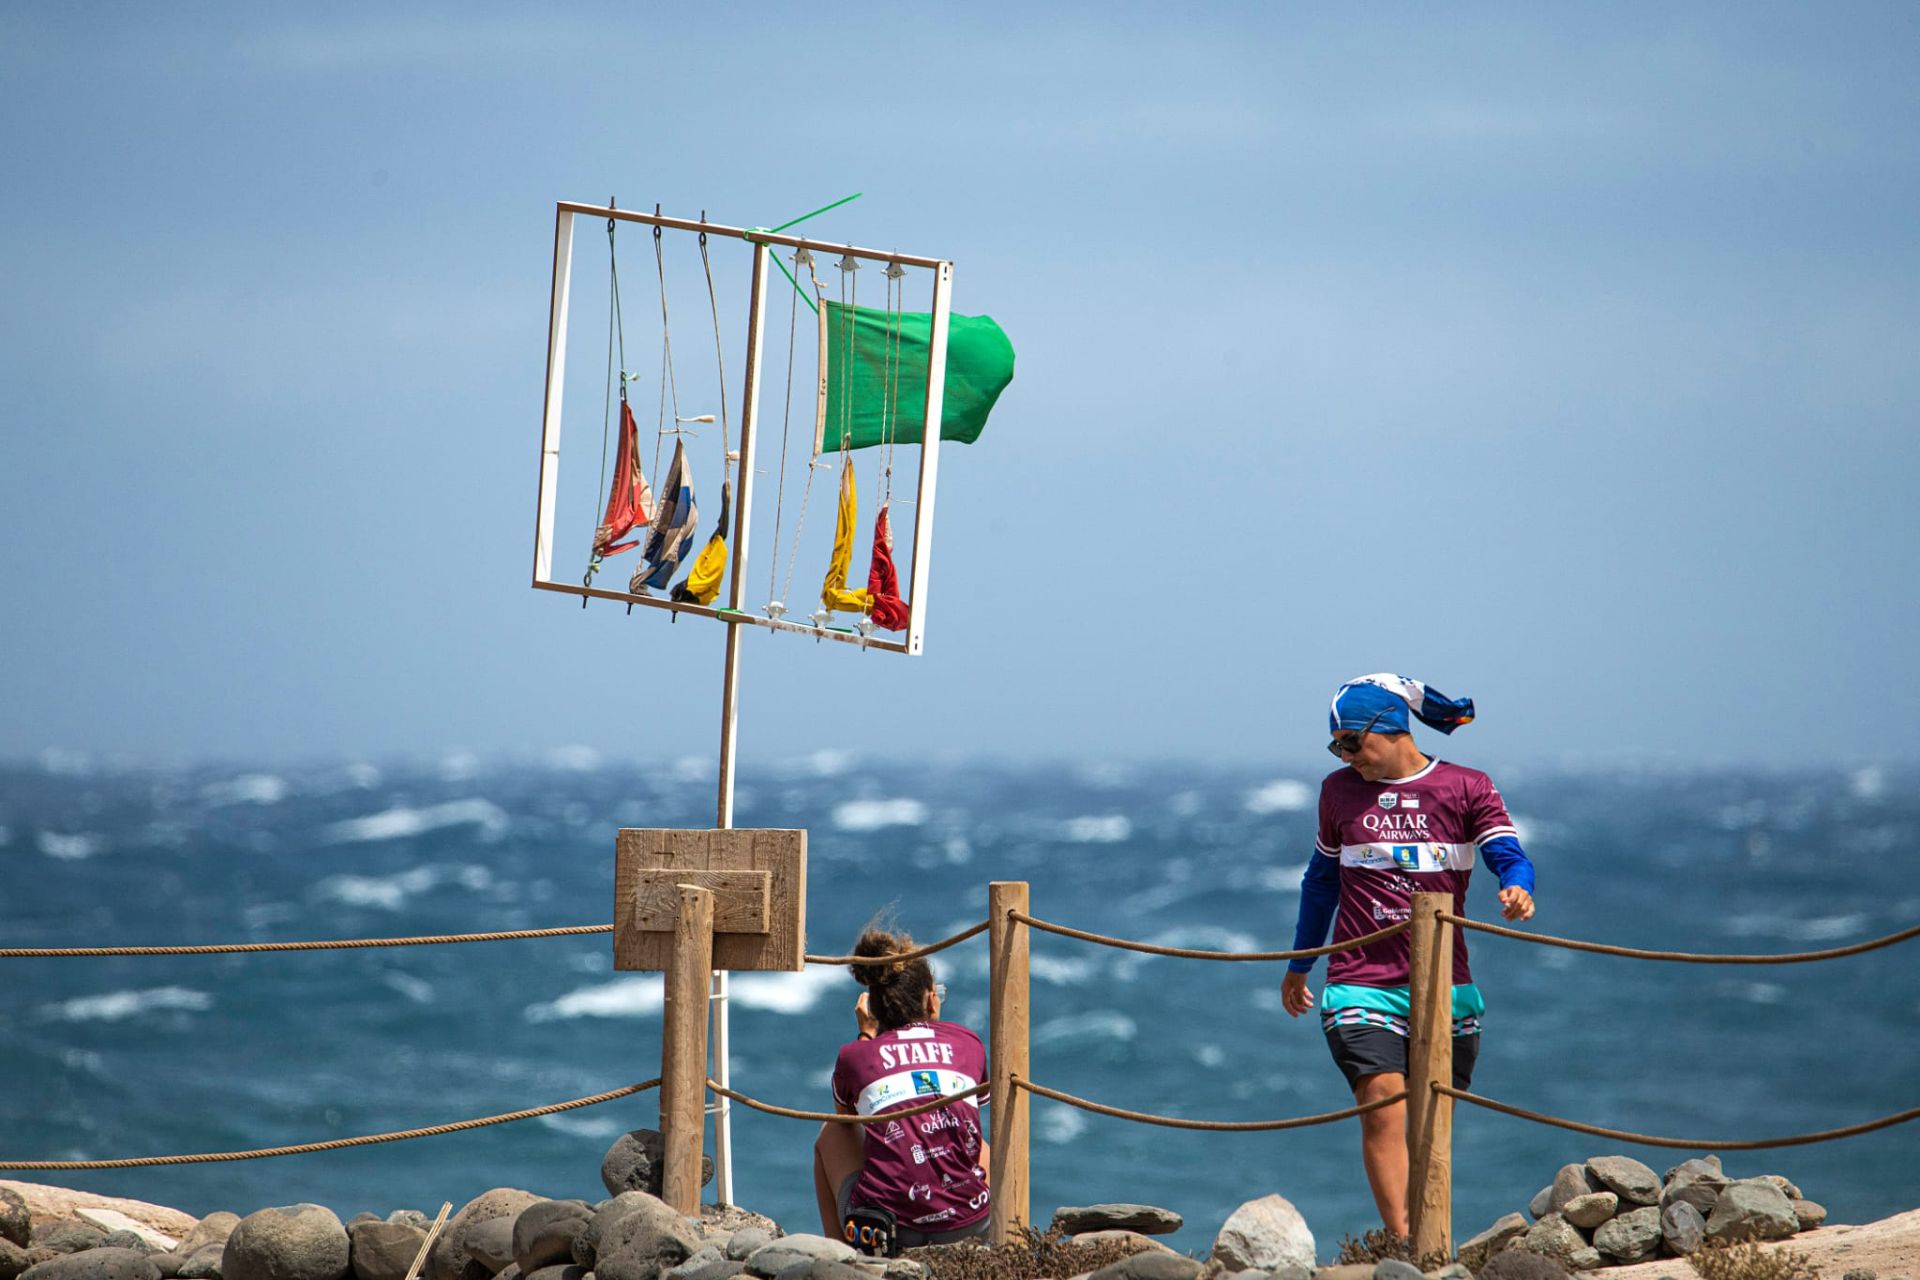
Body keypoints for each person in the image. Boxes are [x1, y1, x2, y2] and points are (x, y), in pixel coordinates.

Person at [1281, 673, 1537, 1238]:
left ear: (1390, 727)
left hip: (1446, 983)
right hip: (1358, 980)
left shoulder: (1466, 787)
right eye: (1337, 747)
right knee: (1381, 1103)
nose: (1346, 756)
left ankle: (1432, 1238)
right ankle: (1408, 1248)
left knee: (1431, 1125)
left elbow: (1508, 854)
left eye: (1350, 741)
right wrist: (1300, 964)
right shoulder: (1338, 792)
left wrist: (1519, 887)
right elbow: (1321, 883)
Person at [813, 924, 992, 1250]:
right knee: (983, 1146)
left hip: (888, 1231)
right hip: (971, 1225)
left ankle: (838, 1254)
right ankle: (1000, 1242)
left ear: (874, 1008)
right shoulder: (968, 1042)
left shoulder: (855, 1056)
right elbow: (969, 1110)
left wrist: (867, 1035)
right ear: (932, 1000)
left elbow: (850, 1122)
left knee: (831, 1132)